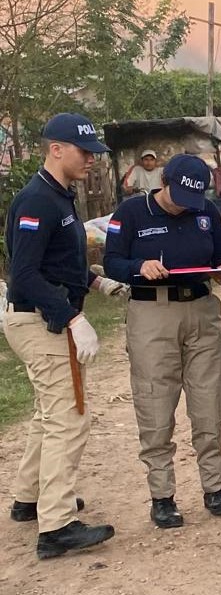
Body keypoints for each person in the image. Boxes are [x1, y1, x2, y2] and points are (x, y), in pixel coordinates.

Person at [4, 113, 118, 559]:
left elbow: (57, 264)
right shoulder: (36, 201)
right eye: (84, 152)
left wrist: (94, 281)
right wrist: (72, 318)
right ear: (56, 149)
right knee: (69, 418)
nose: (91, 160)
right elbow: (25, 275)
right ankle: (57, 526)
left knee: (47, 415)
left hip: (43, 317)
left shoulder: (60, 197)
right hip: (39, 321)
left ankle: (29, 499)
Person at [104, 153, 221, 529]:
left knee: (209, 402)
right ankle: (162, 496)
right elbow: (112, 261)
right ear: (164, 181)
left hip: (201, 311)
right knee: (155, 404)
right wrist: (137, 267)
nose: (185, 206)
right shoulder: (131, 213)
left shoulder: (205, 210)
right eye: (179, 196)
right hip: (152, 315)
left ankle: (215, 488)